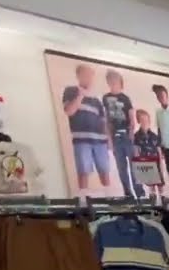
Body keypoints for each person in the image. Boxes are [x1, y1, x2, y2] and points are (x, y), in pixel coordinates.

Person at [61, 64, 110, 192]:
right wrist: (80, 96)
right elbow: (69, 111)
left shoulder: (96, 99)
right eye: (85, 75)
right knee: (83, 171)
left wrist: (108, 140)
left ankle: (109, 197)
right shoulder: (70, 91)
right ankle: (84, 200)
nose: (89, 78)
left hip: (100, 141)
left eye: (90, 75)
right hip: (81, 140)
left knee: (104, 170)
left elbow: (103, 121)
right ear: (78, 76)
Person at [102, 69, 142, 198]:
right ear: (108, 82)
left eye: (116, 81)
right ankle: (128, 193)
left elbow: (131, 119)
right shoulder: (106, 98)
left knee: (133, 165)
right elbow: (106, 120)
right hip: (115, 137)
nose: (114, 84)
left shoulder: (125, 98)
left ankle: (139, 192)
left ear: (120, 83)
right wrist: (109, 140)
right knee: (121, 168)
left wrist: (131, 134)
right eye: (111, 81)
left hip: (126, 135)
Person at [132, 110, 164, 198]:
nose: (145, 122)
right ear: (139, 121)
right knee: (151, 186)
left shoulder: (154, 136)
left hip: (156, 163)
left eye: (146, 120)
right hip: (146, 164)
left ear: (149, 121)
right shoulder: (136, 136)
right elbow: (136, 152)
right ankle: (153, 201)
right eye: (142, 120)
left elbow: (159, 151)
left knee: (160, 184)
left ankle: (162, 199)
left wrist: (161, 165)